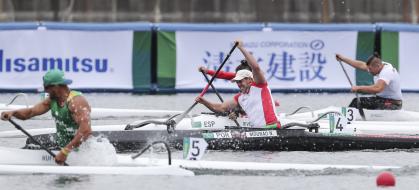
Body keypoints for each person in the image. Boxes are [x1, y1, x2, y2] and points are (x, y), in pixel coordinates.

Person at [1, 69, 92, 165]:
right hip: (62, 145)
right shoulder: (52, 100)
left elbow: (86, 131)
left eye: (46, 87)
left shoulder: (76, 102)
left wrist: (65, 152)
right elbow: (30, 112)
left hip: (79, 150)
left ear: (56, 86)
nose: (45, 90)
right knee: (31, 142)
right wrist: (13, 113)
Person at [195, 40, 280, 128]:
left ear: (250, 80)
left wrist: (241, 47)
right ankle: (236, 113)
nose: (239, 84)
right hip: (258, 130)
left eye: (240, 81)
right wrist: (204, 102)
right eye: (237, 82)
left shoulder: (259, 85)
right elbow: (220, 108)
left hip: (272, 126)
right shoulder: (239, 97)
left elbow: (256, 67)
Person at [336, 53, 402, 110]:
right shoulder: (378, 65)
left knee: (357, 102)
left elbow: (378, 88)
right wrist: (343, 59)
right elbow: (361, 65)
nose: (369, 71)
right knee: (357, 101)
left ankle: (347, 119)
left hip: (393, 104)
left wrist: (358, 88)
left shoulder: (387, 72)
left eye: (370, 69)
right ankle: (351, 117)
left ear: (378, 66)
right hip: (382, 100)